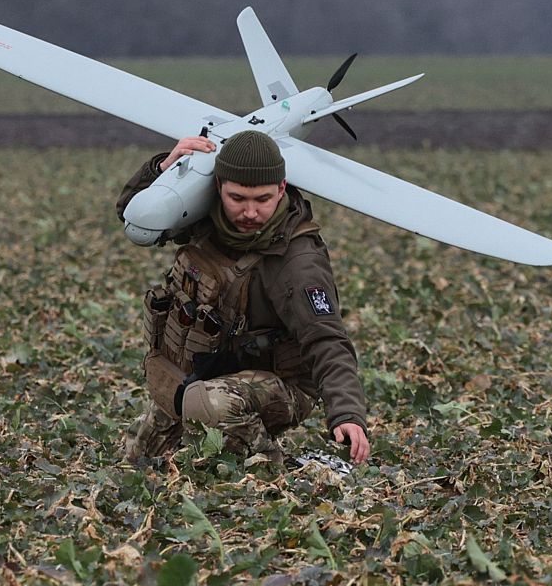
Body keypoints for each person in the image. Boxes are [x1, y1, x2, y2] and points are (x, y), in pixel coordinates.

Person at [117, 130, 371, 466]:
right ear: (218, 187)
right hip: (209, 371)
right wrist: (163, 169)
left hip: (281, 385)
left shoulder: (297, 263)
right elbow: (133, 217)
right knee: (138, 460)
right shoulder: (206, 219)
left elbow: (327, 340)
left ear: (281, 189)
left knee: (205, 404)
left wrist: (347, 415)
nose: (250, 212)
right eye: (238, 198)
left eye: (263, 199)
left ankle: (277, 467)